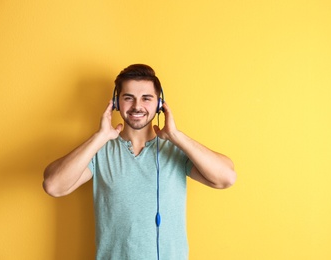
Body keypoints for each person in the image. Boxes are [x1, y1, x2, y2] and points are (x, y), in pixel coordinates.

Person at [43, 64, 236, 260]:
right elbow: (53, 186)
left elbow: (226, 178)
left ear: (160, 105)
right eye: (128, 98)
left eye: (146, 98)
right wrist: (100, 137)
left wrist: (176, 136)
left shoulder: (176, 150)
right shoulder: (99, 151)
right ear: (116, 103)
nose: (137, 106)